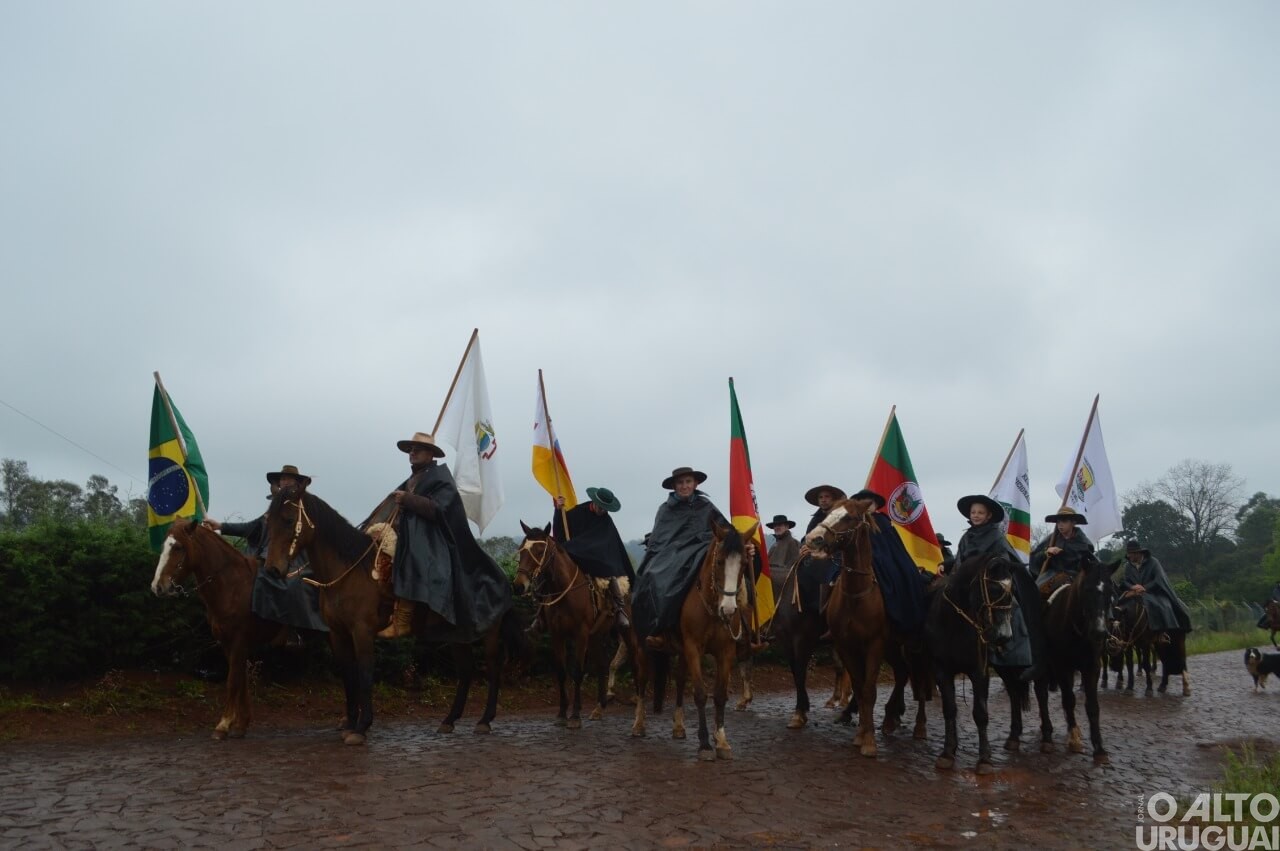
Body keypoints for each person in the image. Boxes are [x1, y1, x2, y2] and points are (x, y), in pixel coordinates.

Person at [374, 432, 512, 640]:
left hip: (432, 539)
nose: (412, 452)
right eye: (410, 449)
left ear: (430, 454)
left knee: (410, 554)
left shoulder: (441, 478)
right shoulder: (411, 480)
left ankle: (403, 619)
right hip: (410, 533)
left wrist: (409, 500)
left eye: (417, 449)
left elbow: (439, 510)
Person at [631, 466, 754, 651]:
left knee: (739, 577)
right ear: (674, 486)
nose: (684, 486)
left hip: (705, 551)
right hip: (674, 555)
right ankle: (661, 630)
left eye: (688, 482)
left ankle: (744, 634)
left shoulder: (706, 506)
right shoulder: (665, 510)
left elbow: (726, 532)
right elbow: (660, 539)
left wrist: (743, 545)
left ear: (695, 483)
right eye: (680, 483)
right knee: (658, 579)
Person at [202, 465, 328, 639]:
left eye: (288, 479)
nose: (284, 482)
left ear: (297, 484)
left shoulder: (304, 506)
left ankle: (294, 631)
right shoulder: (274, 508)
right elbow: (253, 527)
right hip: (265, 557)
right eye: (282, 479)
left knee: (294, 586)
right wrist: (221, 526)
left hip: (294, 558)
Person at [953, 494, 1041, 675]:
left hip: (992, 582)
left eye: (980, 512)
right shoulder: (966, 537)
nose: (976, 515)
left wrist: (991, 567)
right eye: (973, 512)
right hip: (968, 584)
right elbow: (959, 562)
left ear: (988, 516)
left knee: (1013, 608)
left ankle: (1016, 655)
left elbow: (1003, 560)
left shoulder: (996, 536)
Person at [551, 486, 634, 628]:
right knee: (551, 569)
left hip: (597, 557)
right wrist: (558, 511)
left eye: (605, 508)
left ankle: (619, 608)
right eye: (600, 506)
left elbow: (605, 543)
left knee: (609, 569)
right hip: (573, 553)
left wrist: (585, 547)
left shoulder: (606, 521)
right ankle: (540, 614)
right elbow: (560, 529)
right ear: (594, 501)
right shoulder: (577, 511)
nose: (602, 510)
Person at [1119, 540, 1192, 644]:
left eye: (1130, 554)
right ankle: (1119, 634)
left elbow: (1159, 580)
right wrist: (1133, 586)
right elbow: (1125, 581)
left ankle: (1161, 632)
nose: (1129, 556)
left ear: (1137, 553)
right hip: (1134, 593)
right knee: (1118, 605)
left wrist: (1144, 588)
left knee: (1161, 605)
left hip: (1153, 592)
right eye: (1128, 554)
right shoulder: (1128, 566)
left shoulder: (1153, 562)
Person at [1031, 507, 1095, 590]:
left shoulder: (1084, 543)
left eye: (1064, 521)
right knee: (1035, 592)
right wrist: (1046, 552)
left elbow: (1091, 563)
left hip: (1076, 576)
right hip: (1052, 575)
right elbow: (1034, 558)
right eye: (1058, 522)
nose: (1060, 524)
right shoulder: (1051, 539)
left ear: (1073, 522)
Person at [766, 514, 801, 604]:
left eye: (780, 525)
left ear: (787, 526)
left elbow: (794, 566)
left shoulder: (793, 543)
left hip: (784, 588)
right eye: (775, 526)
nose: (777, 527)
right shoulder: (774, 545)